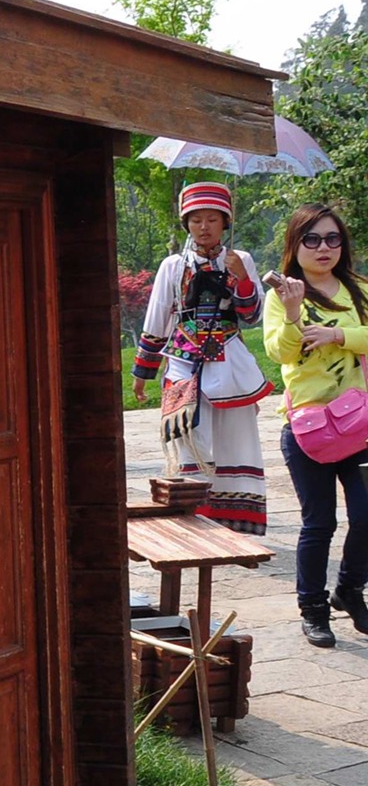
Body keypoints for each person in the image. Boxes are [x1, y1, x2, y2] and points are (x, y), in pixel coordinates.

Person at [132, 180, 271, 533]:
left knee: (236, 439)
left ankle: (239, 523)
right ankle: (198, 521)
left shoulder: (242, 260)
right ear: (186, 224)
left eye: (212, 219)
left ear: (225, 222)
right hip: (183, 365)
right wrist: (143, 371)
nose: (203, 227)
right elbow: (158, 319)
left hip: (230, 364)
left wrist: (241, 279)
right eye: (196, 220)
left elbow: (253, 315)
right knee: (190, 440)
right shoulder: (173, 266)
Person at [262, 204, 368, 648]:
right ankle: (314, 609)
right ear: (295, 244)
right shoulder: (282, 294)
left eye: (332, 239)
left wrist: (339, 335)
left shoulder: (358, 288)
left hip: (360, 422)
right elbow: (280, 353)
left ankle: (350, 589)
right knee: (318, 522)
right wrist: (291, 312)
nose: (324, 248)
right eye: (312, 239)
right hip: (309, 429)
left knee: (366, 513)